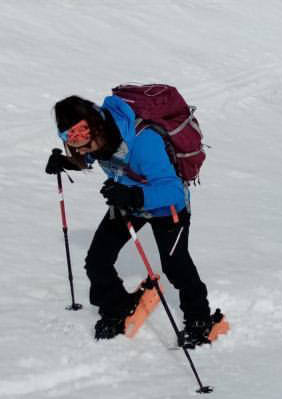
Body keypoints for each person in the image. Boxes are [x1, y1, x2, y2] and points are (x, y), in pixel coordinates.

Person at [45, 94, 220, 345]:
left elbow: (173, 191)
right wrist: (67, 162)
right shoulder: (102, 138)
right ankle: (117, 309)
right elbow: (97, 155)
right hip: (126, 202)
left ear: (96, 124)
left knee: (176, 267)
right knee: (98, 261)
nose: (77, 143)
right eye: (69, 137)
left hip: (168, 208)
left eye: (81, 134)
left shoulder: (143, 141)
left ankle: (200, 319)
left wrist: (134, 196)